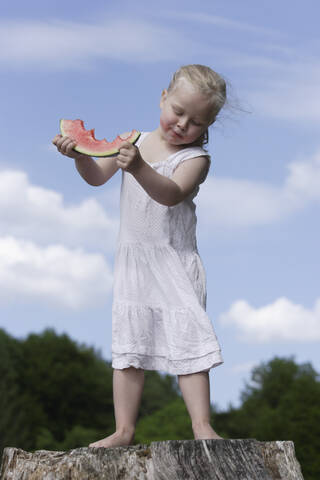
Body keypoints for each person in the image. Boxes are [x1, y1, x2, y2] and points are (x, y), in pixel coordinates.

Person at [52, 64, 227, 448]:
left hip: (173, 262)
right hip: (134, 263)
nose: (182, 124)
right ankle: (124, 431)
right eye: (178, 111)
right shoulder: (137, 140)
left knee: (189, 343)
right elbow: (97, 177)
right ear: (163, 98)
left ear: (208, 126)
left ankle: (201, 426)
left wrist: (139, 166)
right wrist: (80, 154)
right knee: (129, 346)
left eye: (196, 121)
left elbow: (169, 193)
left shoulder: (195, 159)